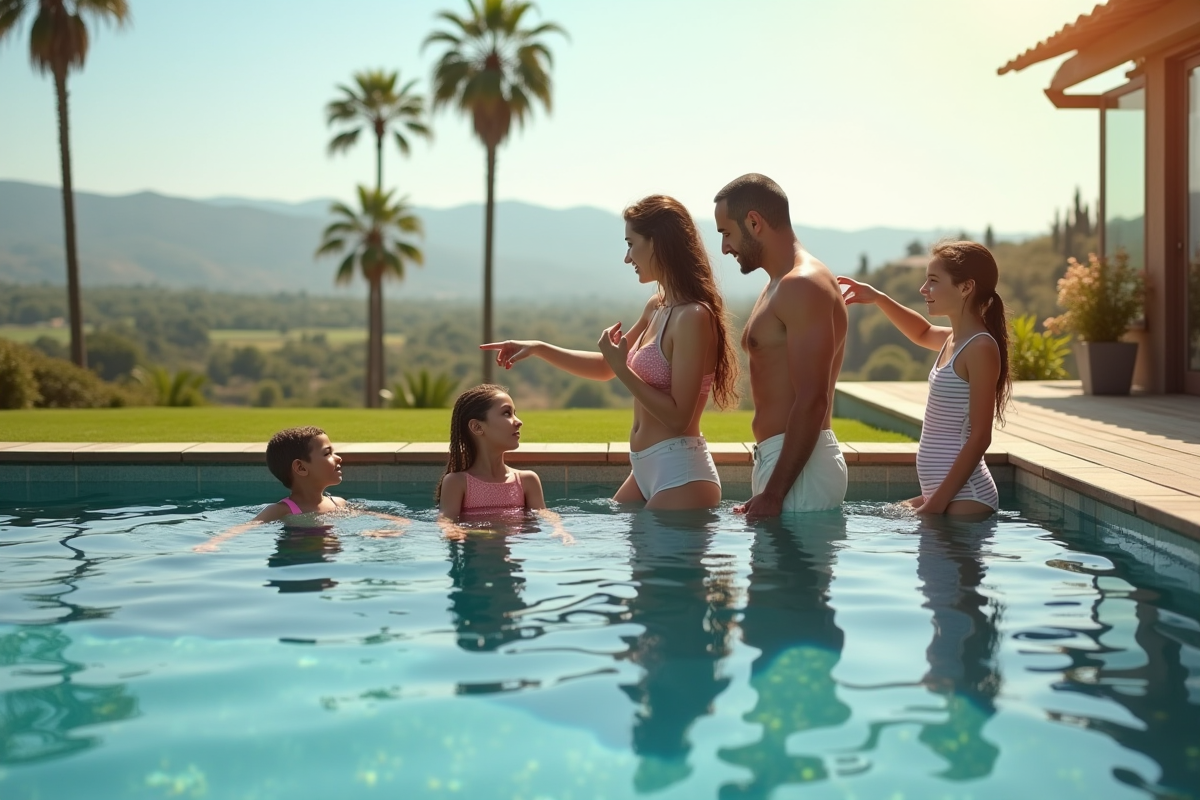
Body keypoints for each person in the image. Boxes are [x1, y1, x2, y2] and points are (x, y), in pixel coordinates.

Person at [481, 194, 739, 510]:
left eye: (631, 244)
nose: (627, 257)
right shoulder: (656, 306)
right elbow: (607, 366)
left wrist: (623, 369)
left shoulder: (693, 317)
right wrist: (538, 348)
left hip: (681, 474)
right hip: (646, 469)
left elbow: (678, 417)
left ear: (657, 243)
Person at [837, 240, 1011, 515]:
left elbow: (980, 438)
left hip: (967, 498)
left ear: (966, 287)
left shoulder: (980, 348)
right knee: (880, 518)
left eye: (933, 281)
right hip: (941, 496)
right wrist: (879, 298)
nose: (923, 289)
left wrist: (936, 505)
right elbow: (921, 332)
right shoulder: (954, 340)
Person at [713, 174, 848, 515]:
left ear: (754, 222)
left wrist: (774, 493)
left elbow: (813, 399)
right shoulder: (778, 284)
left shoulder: (801, 285)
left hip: (799, 470)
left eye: (726, 233)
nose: (725, 247)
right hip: (787, 464)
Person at [193, 426, 406, 552]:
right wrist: (212, 543)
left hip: (327, 556)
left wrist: (396, 526)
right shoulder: (282, 511)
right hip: (298, 557)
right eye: (327, 453)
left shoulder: (338, 503)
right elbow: (244, 528)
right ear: (301, 467)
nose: (338, 457)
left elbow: (382, 518)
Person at [437, 385, 570, 546]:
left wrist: (559, 529)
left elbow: (544, 514)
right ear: (477, 427)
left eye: (515, 413)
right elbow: (446, 522)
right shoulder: (457, 482)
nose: (519, 422)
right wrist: (457, 532)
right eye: (507, 413)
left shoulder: (527, 480)